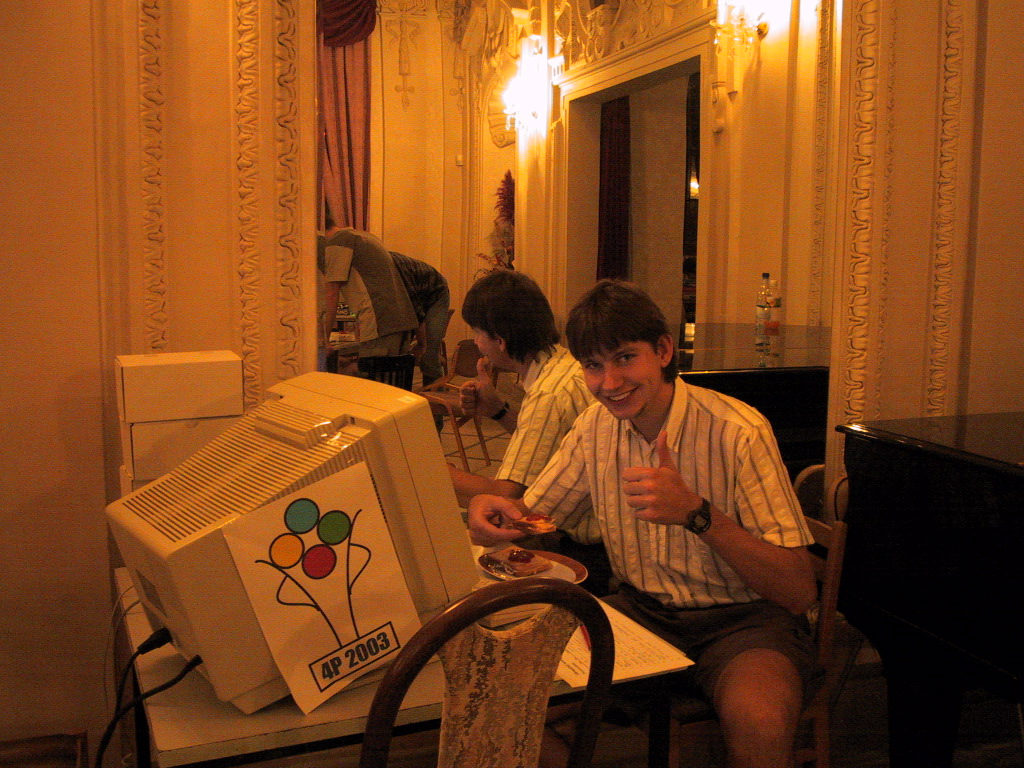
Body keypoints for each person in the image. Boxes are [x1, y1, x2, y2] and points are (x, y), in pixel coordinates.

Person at [468, 279, 820, 768]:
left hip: (744, 624)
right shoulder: (595, 428)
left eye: (625, 358)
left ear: (663, 351)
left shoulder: (739, 431)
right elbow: (535, 516)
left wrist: (697, 514)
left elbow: (799, 590)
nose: (610, 382)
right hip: (639, 614)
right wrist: (495, 517)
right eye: (594, 365)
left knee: (760, 723)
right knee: (497, 698)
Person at [449, 269, 595, 511]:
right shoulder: (563, 365)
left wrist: (431, 468)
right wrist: (497, 410)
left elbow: (506, 498)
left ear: (500, 340)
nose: (475, 342)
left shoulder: (549, 394)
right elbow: (547, 448)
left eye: (477, 333)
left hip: (577, 529)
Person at [317, 226, 418, 371]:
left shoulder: (339, 240)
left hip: (380, 324)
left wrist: (324, 340)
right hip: (402, 321)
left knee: (371, 379)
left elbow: (331, 293)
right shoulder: (367, 237)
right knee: (390, 379)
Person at [389, 251, 451, 387]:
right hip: (417, 297)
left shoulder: (394, 268)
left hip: (436, 293)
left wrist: (423, 344)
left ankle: (435, 394)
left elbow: (415, 308)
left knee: (429, 353)